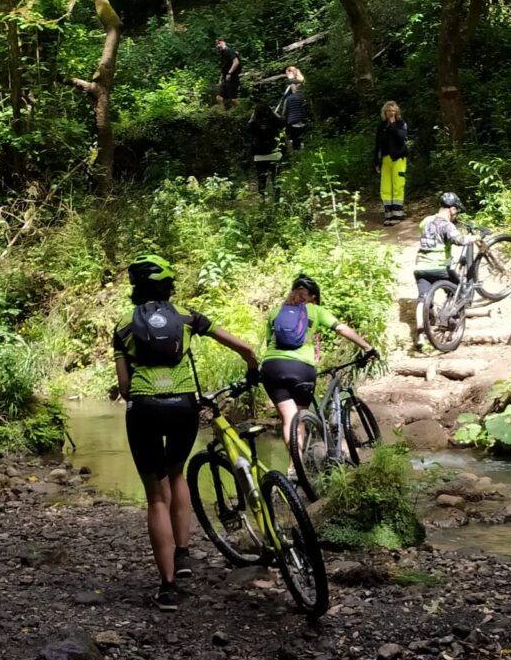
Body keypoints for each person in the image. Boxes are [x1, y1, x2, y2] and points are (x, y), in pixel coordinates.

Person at [113, 253, 258, 610]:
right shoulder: (187, 317)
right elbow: (244, 347)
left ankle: (167, 588)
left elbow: (125, 386)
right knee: (177, 472)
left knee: (155, 497)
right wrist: (253, 366)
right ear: (168, 286)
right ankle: (184, 554)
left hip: (144, 409)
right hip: (183, 407)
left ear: (136, 289)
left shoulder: (122, 327)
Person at [260, 275, 376, 459]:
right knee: (299, 419)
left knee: (288, 419)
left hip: (272, 366)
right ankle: (295, 466)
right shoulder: (315, 310)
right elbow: (340, 328)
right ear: (313, 296)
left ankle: (292, 473)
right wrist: (367, 347)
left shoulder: (276, 312)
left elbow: (269, 343)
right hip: (301, 368)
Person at [412, 192, 478, 350]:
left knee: (422, 299)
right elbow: (459, 240)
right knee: (460, 289)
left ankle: (420, 333)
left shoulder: (425, 221)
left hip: (420, 267)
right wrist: (474, 238)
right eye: (457, 211)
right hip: (440, 267)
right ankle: (453, 320)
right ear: (453, 209)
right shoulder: (447, 225)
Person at [374, 101, 408, 226]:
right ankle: (388, 214)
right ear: (384, 112)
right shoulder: (381, 126)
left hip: (398, 159)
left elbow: (400, 139)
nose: (390, 113)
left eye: (393, 110)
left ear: (396, 112)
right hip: (385, 160)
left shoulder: (401, 124)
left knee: (397, 185)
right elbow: (377, 145)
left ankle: (398, 215)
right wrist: (376, 161)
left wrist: (393, 125)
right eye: (388, 111)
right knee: (385, 188)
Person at [247, 104, 284, 198]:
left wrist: (253, 116)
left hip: (259, 156)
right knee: (276, 178)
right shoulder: (274, 121)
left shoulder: (254, 123)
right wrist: (274, 113)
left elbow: (247, 128)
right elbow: (283, 122)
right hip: (274, 154)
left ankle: (263, 198)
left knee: (261, 178)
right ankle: (277, 198)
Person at [281, 71, 308, 151]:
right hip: (304, 121)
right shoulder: (305, 97)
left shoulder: (288, 99)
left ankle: (296, 156)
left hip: (292, 122)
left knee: (295, 142)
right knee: (304, 140)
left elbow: (284, 113)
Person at [215, 38, 241, 109]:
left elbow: (236, 62)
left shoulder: (229, 51)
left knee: (233, 99)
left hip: (232, 78)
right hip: (225, 79)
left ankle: (241, 112)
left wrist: (229, 73)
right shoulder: (222, 54)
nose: (217, 46)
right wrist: (221, 79)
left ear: (222, 42)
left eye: (218, 44)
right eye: (216, 44)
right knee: (219, 98)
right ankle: (222, 116)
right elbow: (224, 67)